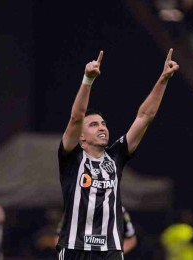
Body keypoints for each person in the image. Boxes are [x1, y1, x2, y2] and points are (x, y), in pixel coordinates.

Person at [56, 48, 179, 260]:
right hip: (75, 248)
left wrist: (163, 79)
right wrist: (88, 79)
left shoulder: (115, 157)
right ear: (81, 137)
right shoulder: (72, 157)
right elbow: (76, 118)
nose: (102, 127)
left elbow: (145, 116)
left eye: (103, 124)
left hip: (110, 250)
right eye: (94, 125)